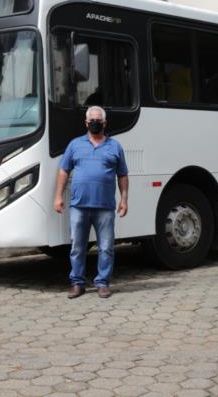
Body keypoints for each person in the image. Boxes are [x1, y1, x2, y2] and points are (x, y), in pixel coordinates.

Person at [54, 106, 129, 299]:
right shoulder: (75, 145)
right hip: (79, 206)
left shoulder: (115, 146)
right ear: (86, 123)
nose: (95, 122)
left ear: (105, 123)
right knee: (77, 247)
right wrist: (58, 196)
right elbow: (64, 171)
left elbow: (122, 175)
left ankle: (102, 283)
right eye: (92, 120)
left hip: (105, 207)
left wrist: (124, 200)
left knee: (106, 247)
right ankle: (77, 283)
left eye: (99, 120)